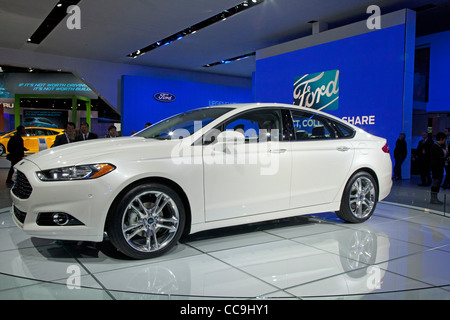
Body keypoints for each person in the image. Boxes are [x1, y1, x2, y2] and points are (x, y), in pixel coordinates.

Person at [430, 132, 447, 204]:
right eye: (444, 139)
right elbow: (437, 158)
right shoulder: (435, 147)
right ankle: (433, 198)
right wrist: (445, 159)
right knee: (436, 182)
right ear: (441, 139)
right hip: (436, 168)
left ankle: (435, 197)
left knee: (438, 182)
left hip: (440, 167)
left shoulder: (441, 146)